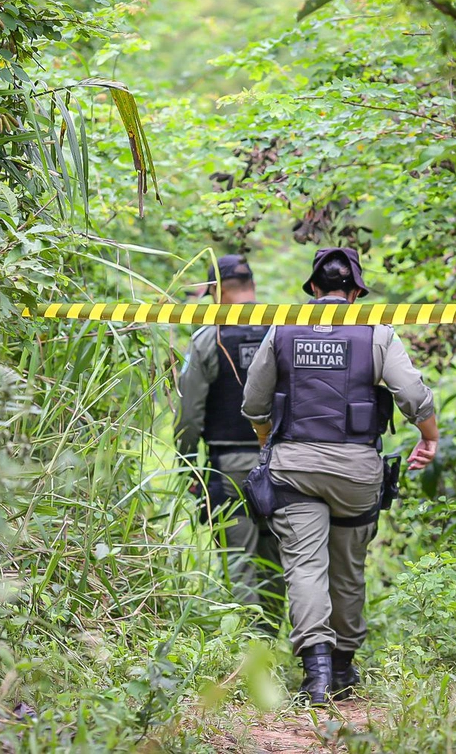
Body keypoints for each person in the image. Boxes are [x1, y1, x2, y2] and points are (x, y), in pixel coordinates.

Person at [241, 247, 438, 705]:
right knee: (347, 569)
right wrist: (429, 437)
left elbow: (254, 403)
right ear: (355, 292)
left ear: (312, 288)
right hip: (356, 472)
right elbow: (412, 394)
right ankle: (345, 665)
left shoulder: (282, 329)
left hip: (294, 471)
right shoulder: (376, 332)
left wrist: (267, 440)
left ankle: (318, 675)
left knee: (305, 567)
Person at [175, 254, 285, 632]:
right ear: (251, 287)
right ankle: (270, 634)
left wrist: (188, 465)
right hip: (282, 463)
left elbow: (189, 415)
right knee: (275, 553)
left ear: (217, 293)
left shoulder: (208, 338)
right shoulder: (283, 331)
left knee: (239, 555)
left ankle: (254, 651)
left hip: (228, 465)